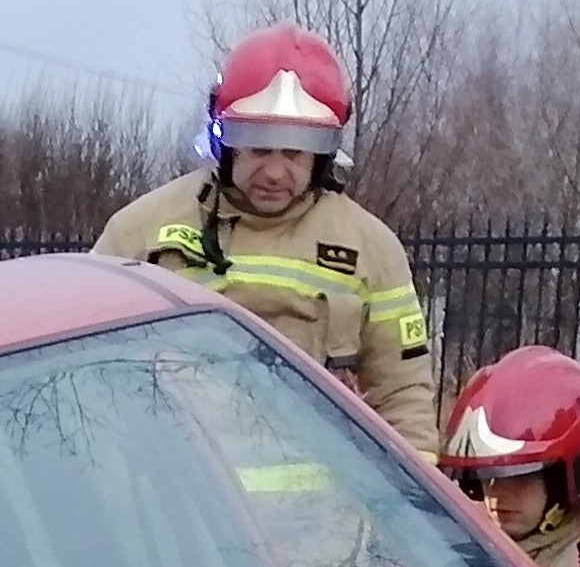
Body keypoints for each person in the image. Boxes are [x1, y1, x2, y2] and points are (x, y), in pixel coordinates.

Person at [97, 26, 437, 451]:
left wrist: (416, 492)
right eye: (259, 149)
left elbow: (404, 399)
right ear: (226, 144)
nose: (275, 173)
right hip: (177, 489)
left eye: (294, 152)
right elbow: (86, 376)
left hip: (318, 494)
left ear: (322, 155)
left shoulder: (371, 249)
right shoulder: (139, 230)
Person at [436, 345, 580, 567]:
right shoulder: (459, 552)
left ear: (565, 481)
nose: (496, 493)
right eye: (486, 475)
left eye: (517, 476)